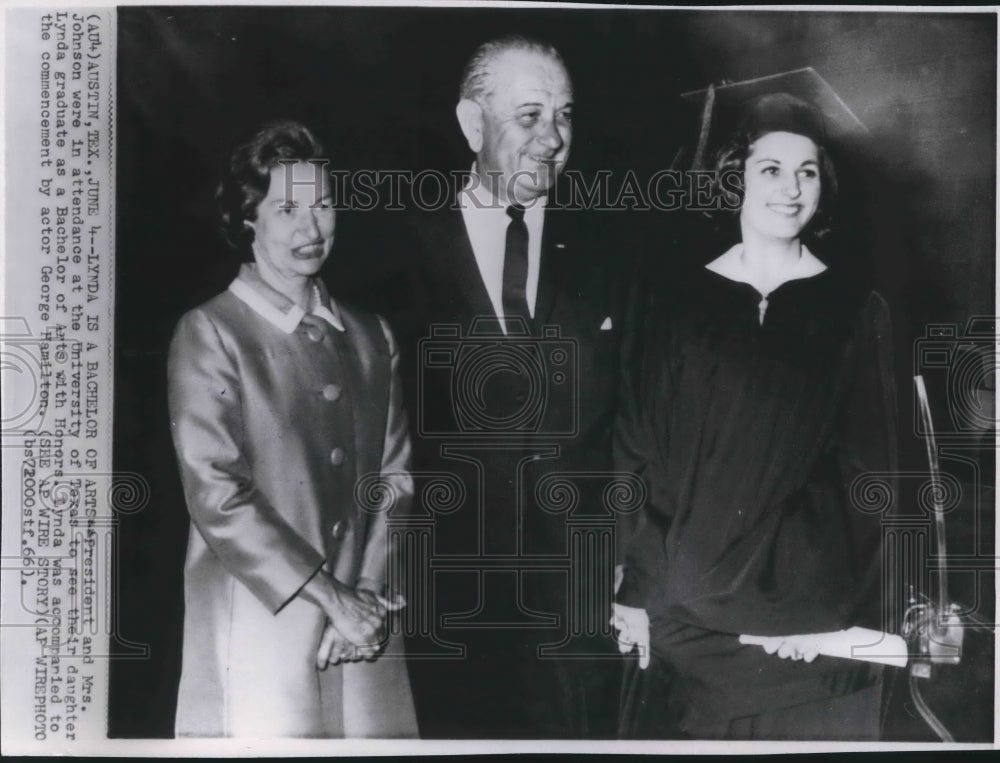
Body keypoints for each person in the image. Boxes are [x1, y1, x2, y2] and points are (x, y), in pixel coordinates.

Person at [612, 93, 898, 740]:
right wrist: (634, 587)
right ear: (735, 174)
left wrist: (823, 610)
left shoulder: (855, 310)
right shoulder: (676, 302)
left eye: (808, 171)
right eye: (771, 168)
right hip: (682, 611)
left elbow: (869, 475)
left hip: (803, 624)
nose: (791, 188)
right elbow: (638, 445)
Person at [366, 35, 627, 738]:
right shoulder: (396, 251)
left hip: (583, 595)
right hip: (451, 593)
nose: (553, 140)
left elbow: (640, 420)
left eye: (565, 116)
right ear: (471, 124)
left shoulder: (613, 249)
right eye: (530, 116)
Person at [167, 121, 417, 738]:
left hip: (364, 629)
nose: (311, 229)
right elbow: (217, 495)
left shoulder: (371, 335)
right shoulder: (212, 332)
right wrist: (333, 599)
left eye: (323, 205)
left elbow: (395, 480)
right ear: (249, 219)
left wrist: (364, 595)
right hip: (259, 625)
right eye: (287, 208)